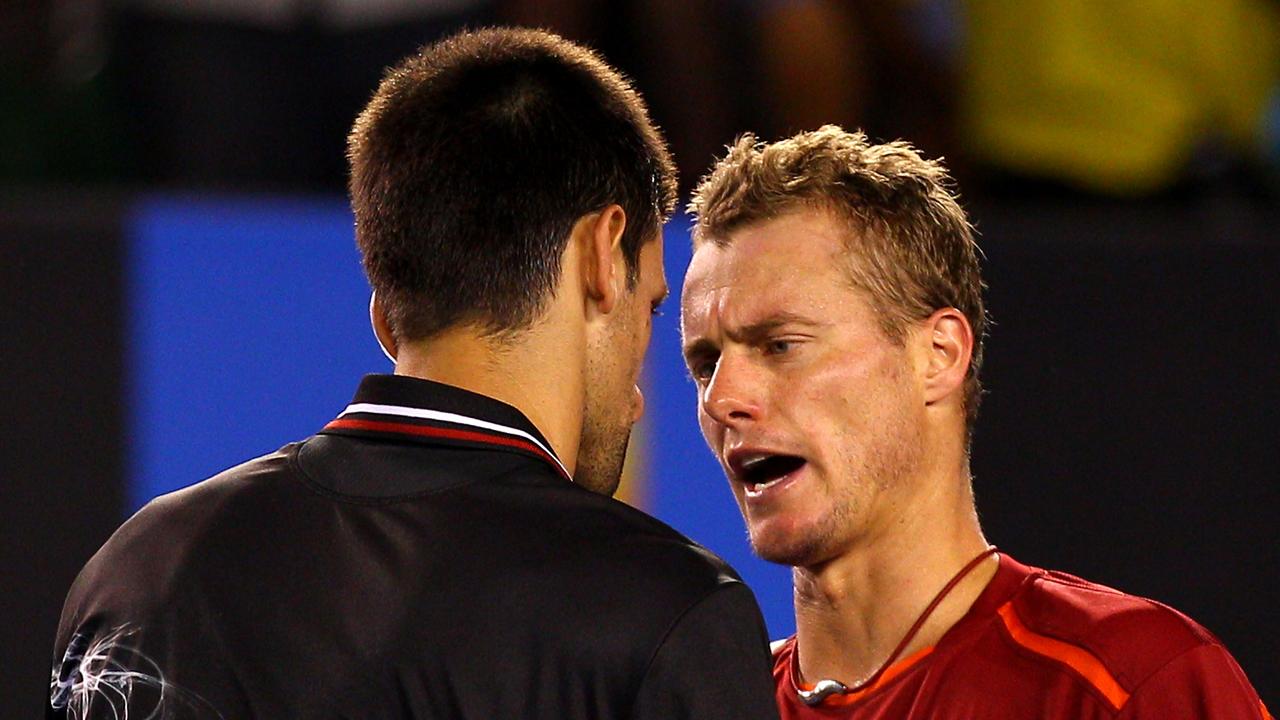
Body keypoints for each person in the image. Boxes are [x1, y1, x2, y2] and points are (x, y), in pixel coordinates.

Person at [47, 28, 780, 720]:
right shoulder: (664, 611)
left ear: (387, 318)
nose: (636, 398)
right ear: (600, 254)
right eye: (649, 307)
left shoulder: (142, 573)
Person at [679, 125, 1271, 719]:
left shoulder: (1126, 686)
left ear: (938, 355)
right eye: (706, 364)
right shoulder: (711, 706)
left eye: (781, 345)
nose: (721, 398)